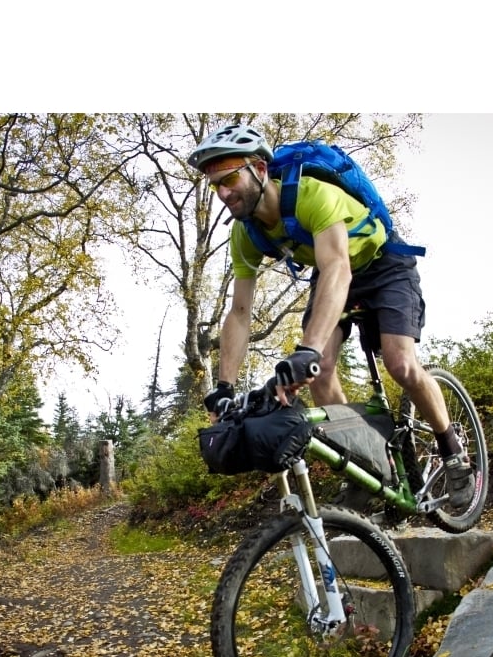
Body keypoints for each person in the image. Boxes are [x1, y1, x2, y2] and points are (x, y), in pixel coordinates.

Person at [188, 123, 474, 510]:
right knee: (320, 373)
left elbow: (338, 266)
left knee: (401, 364)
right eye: (214, 185)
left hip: (382, 264)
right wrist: (224, 386)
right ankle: (371, 464)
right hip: (333, 272)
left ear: (259, 168)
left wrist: (307, 349)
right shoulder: (246, 234)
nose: (223, 193)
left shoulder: (311, 193)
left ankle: (454, 452)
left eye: (229, 179)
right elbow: (239, 312)